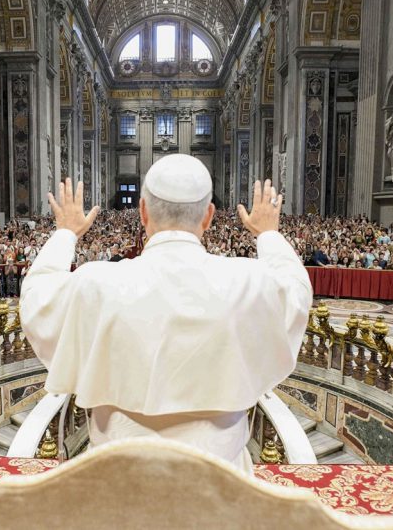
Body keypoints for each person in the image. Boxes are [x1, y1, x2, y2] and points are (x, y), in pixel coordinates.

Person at [20, 155, 312, 476]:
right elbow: (297, 292)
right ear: (209, 216)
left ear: (142, 212)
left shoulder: (96, 282)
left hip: (114, 481)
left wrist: (65, 234)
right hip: (222, 485)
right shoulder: (249, 281)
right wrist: (268, 234)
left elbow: (37, 299)